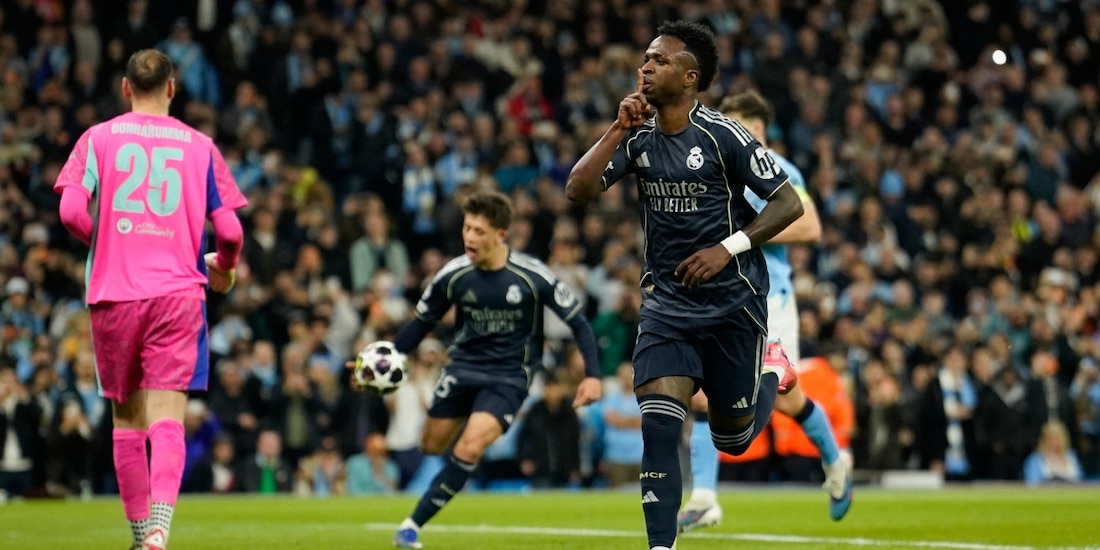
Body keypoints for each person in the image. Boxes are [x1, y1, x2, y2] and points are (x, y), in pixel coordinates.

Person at [566, 21, 804, 550]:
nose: (645, 67)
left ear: (690, 77)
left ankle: (773, 369)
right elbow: (577, 191)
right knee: (660, 426)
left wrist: (728, 247)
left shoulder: (725, 136)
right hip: (667, 308)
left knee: (734, 438)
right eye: (644, 59)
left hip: (732, 306)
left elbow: (790, 204)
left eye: (659, 60)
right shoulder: (639, 137)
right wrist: (615, 131)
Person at [54, 49, 247, 550]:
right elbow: (229, 230)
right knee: (167, 417)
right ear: (171, 88)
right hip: (179, 294)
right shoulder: (200, 145)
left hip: (115, 294)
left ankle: (140, 537)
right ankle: (160, 530)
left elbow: (72, 211)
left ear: (125, 88)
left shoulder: (98, 139)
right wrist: (223, 269)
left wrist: (103, 240)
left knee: (126, 419)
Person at [355, 189, 603, 549]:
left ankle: (411, 527)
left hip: (508, 377)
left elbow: (579, 323)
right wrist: (380, 363)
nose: (470, 237)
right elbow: (420, 323)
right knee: (429, 444)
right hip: (462, 370)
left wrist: (592, 376)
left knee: (469, 447)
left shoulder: (532, 275)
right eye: (467, 228)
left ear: (501, 235)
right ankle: (462, 451)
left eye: (479, 231)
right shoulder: (452, 275)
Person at [677, 90, 853, 533]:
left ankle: (834, 459)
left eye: (742, 126)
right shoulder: (717, 170)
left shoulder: (778, 168)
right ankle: (704, 498)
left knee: (781, 400)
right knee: (704, 391)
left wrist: (742, 236)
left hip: (769, 298)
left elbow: (810, 226)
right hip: (721, 299)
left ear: (758, 131)